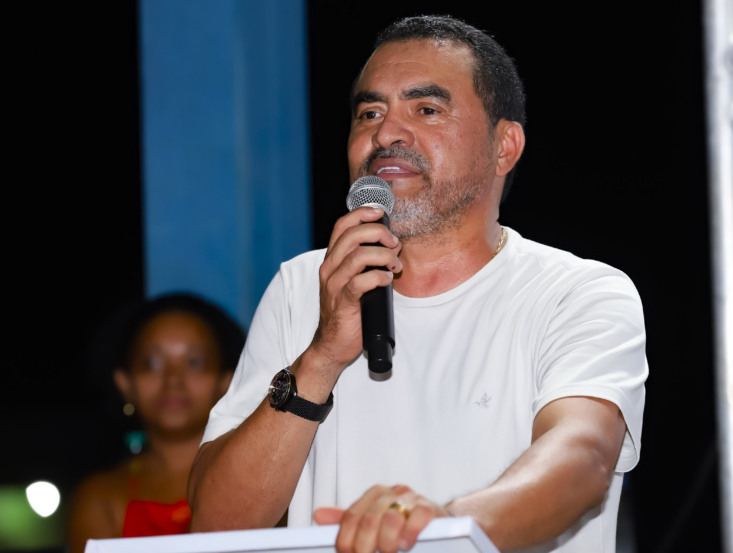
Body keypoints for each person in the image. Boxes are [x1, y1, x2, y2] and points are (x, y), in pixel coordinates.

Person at [188, 14, 647, 553]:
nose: (385, 134)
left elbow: (582, 460)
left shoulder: (578, 293)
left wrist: (440, 527)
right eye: (370, 113)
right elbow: (216, 525)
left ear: (504, 146)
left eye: (426, 109)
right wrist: (322, 356)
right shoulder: (301, 287)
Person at [67, 293, 246, 553]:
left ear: (226, 381)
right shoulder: (100, 497)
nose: (173, 380)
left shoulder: (264, 481)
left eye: (195, 363)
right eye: (152, 363)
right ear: (125, 383)